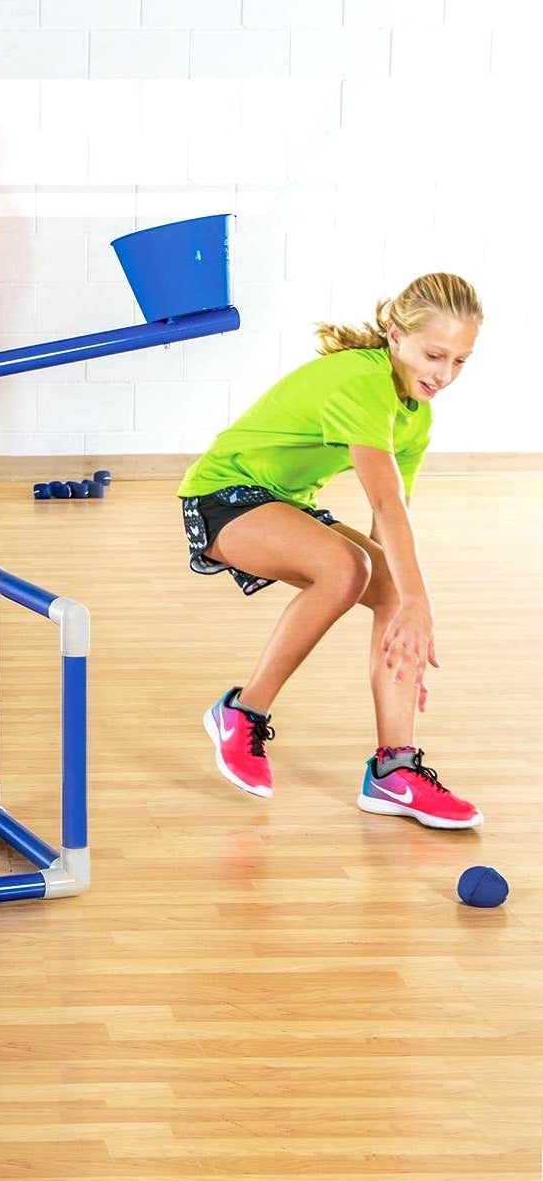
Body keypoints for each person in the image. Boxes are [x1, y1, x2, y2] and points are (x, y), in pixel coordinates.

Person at [180, 273, 484, 828]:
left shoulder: (415, 417)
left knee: (387, 586)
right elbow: (386, 504)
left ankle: (394, 769)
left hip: (285, 502)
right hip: (223, 495)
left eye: (460, 360)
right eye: (434, 355)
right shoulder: (363, 385)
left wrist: (408, 622)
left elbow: (390, 523)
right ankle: (242, 711)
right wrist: (422, 605)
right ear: (396, 336)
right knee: (348, 568)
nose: (444, 374)